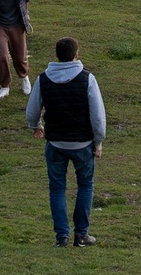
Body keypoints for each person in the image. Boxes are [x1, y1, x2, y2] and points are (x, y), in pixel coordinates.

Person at [24, 35, 105, 247]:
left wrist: (37, 127)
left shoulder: (43, 79)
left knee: (57, 189)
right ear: (76, 55)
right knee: (85, 185)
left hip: (55, 143)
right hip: (83, 144)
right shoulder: (88, 79)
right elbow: (97, 117)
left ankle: (62, 237)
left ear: (57, 56)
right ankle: (81, 235)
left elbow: (32, 112)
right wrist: (98, 141)